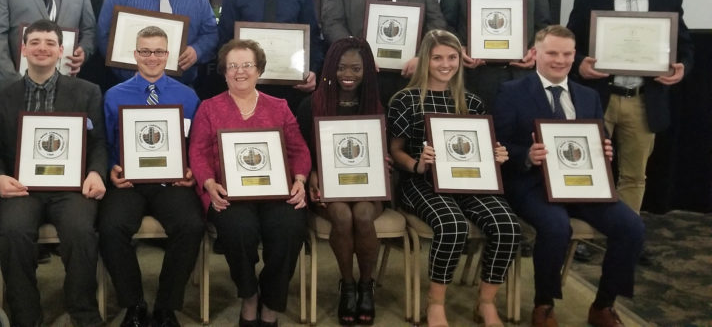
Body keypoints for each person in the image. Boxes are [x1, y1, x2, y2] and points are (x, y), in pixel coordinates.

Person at [493, 26, 644, 327]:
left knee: (632, 227)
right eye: (552, 53)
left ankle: (603, 305)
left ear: (575, 56)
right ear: (536, 53)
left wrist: (604, 151)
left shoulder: (588, 97)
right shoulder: (511, 92)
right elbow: (496, 144)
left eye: (566, 54)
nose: (559, 60)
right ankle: (544, 304)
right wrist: (526, 155)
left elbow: (594, 140)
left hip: (582, 186)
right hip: (532, 185)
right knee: (556, 227)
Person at [387, 30, 519, 327]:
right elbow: (395, 151)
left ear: (461, 60)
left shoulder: (472, 102)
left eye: (452, 57)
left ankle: (485, 302)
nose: (445, 64)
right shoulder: (405, 100)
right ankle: (436, 305)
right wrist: (418, 164)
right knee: (452, 225)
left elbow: (482, 148)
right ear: (425, 61)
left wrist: (496, 156)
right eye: (437, 58)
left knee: (508, 226)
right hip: (421, 182)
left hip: (470, 181)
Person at [0, 19, 107, 327]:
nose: (42, 48)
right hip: (21, 187)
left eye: (50, 43)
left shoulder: (88, 92)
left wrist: (95, 173)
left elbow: (100, 143)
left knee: (80, 232)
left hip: (71, 187)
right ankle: (26, 316)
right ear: (23, 48)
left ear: (61, 51)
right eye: (35, 42)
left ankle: (84, 312)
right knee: (13, 232)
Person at [566, 0, 694, 218]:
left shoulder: (668, 0)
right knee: (587, 169)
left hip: (643, 101)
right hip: (599, 98)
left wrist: (682, 68)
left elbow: (685, 49)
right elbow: (569, 45)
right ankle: (583, 236)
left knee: (634, 177)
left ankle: (625, 236)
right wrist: (579, 63)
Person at [189, 39, 309, 327]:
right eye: (232, 66)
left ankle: (271, 302)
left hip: (277, 193)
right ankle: (249, 295)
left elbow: (299, 150)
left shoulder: (279, 107)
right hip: (228, 193)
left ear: (259, 70)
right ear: (224, 71)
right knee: (238, 229)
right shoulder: (208, 108)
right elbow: (198, 151)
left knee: (290, 228)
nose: (239, 71)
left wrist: (301, 180)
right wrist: (208, 183)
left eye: (247, 65)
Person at [98, 26, 204, 327]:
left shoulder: (188, 96)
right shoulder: (113, 96)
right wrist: (111, 169)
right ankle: (134, 305)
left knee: (191, 224)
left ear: (168, 55)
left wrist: (191, 171)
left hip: (171, 182)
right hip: (127, 182)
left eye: (158, 51)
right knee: (110, 227)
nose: (152, 57)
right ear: (135, 55)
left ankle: (166, 307)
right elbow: (103, 143)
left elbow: (197, 143)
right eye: (145, 51)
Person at [295, 37, 385, 325]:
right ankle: (347, 284)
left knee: (361, 213)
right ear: (330, 68)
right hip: (325, 185)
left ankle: (366, 285)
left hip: (367, 186)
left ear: (366, 70)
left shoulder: (374, 105)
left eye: (356, 69)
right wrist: (310, 172)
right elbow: (298, 150)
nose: (348, 75)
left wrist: (383, 162)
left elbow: (381, 152)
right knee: (343, 215)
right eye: (342, 68)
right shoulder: (311, 104)